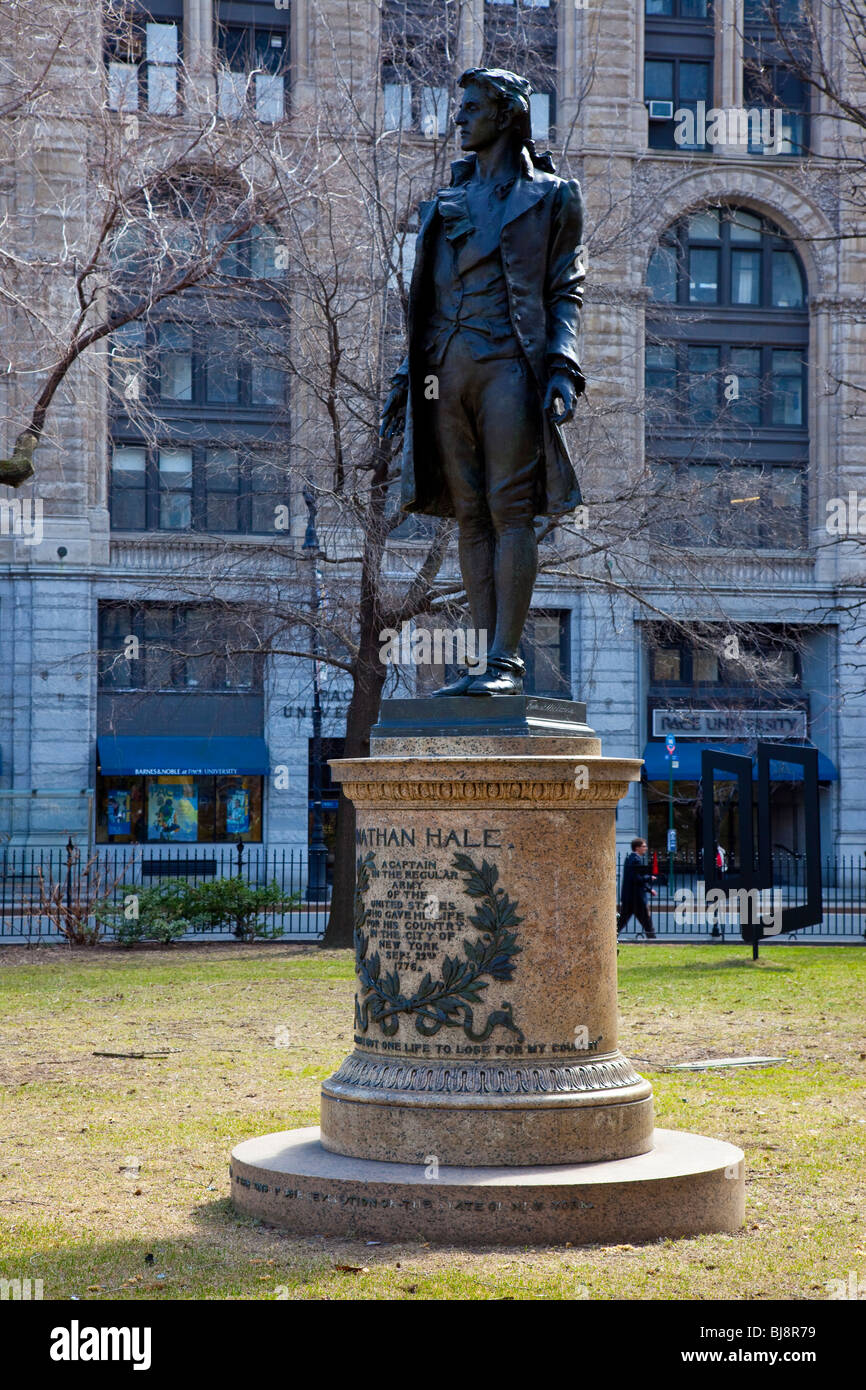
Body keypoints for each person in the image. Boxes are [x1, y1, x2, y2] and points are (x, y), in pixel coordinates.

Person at [380, 66, 586, 696]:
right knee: (468, 516)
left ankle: (505, 663)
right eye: (459, 108)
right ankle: (482, 667)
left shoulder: (553, 197)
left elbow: (565, 289)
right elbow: (424, 304)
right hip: (446, 371)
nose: (459, 119)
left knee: (509, 509)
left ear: (507, 115)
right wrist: (402, 381)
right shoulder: (441, 206)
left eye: (471, 108)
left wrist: (562, 368)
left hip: (508, 366)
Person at [617, 838, 659, 939]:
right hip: (636, 897)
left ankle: (611, 936)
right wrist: (649, 877)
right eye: (644, 846)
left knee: (623, 919)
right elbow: (636, 878)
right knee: (645, 919)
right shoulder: (636, 860)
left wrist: (649, 889)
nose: (646, 848)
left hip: (629, 897)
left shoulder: (629, 858)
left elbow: (635, 878)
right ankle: (652, 938)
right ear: (637, 848)